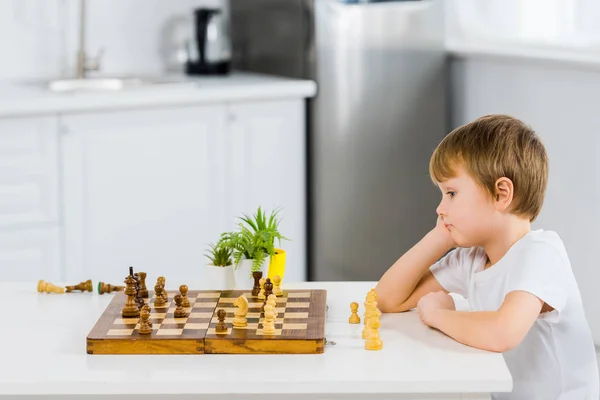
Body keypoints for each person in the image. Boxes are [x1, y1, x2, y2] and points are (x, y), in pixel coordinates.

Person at [375, 114, 599, 399]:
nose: (440, 208)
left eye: (452, 193)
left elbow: (503, 333)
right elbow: (388, 298)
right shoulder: (471, 259)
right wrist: (438, 237)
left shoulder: (541, 253)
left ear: (501, 194)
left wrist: (437, 315)